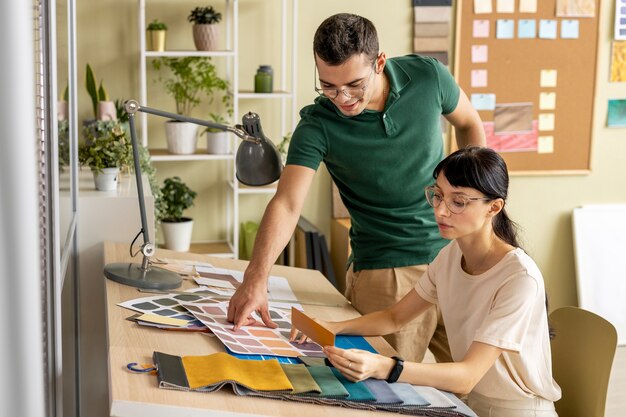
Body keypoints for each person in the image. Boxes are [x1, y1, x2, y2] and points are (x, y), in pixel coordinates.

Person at [227, 13, 485, 363]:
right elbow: (287, 204)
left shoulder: (428, 76)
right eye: (329, 86)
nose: (343, 98)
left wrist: (471, 200)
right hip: (386, 273)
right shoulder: (318, 125)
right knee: (389, 398)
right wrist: (256, 277)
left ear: (379, 62)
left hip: (458, 259)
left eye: (354, 85)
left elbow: (470, 123)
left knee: (473, 388)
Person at [291, 146, 561, 417]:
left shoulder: (519, 278)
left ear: (494, 207)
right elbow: (394, 317)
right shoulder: (451, 256)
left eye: (458, 202)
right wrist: (330, 327)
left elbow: (468, 375)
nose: (441, 211)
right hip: (472, 404)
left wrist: (385, 367)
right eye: (438, 196)